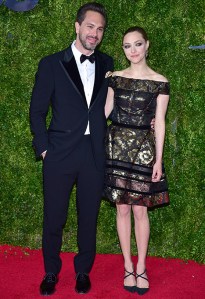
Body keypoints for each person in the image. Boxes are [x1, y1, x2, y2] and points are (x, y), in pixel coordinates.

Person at [30, 2, 113, 296]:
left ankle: (82, 271)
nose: (95, 33)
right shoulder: (51, 64)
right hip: (59, 152)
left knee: (88, 216)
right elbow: (37, 111)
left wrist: (149, 120)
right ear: (77, 26)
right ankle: (51, 272)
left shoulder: (108, 64)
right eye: (90, 26)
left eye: (100, 28)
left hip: (93, 153)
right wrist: (44, 150)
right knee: (54, 216)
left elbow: (115, 105)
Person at [104, 26, 170, 295]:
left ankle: (141, 267)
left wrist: (159, 160)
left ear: (147, 45)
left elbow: (161, 122)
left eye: (137, 44)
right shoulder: (115, 78)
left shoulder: (160, 81)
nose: (132, 50)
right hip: (115, 148)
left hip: (144, 150)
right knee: (122, 209)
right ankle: (127, 266)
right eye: (127, 46)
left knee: (141, 210)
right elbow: (104, 111)